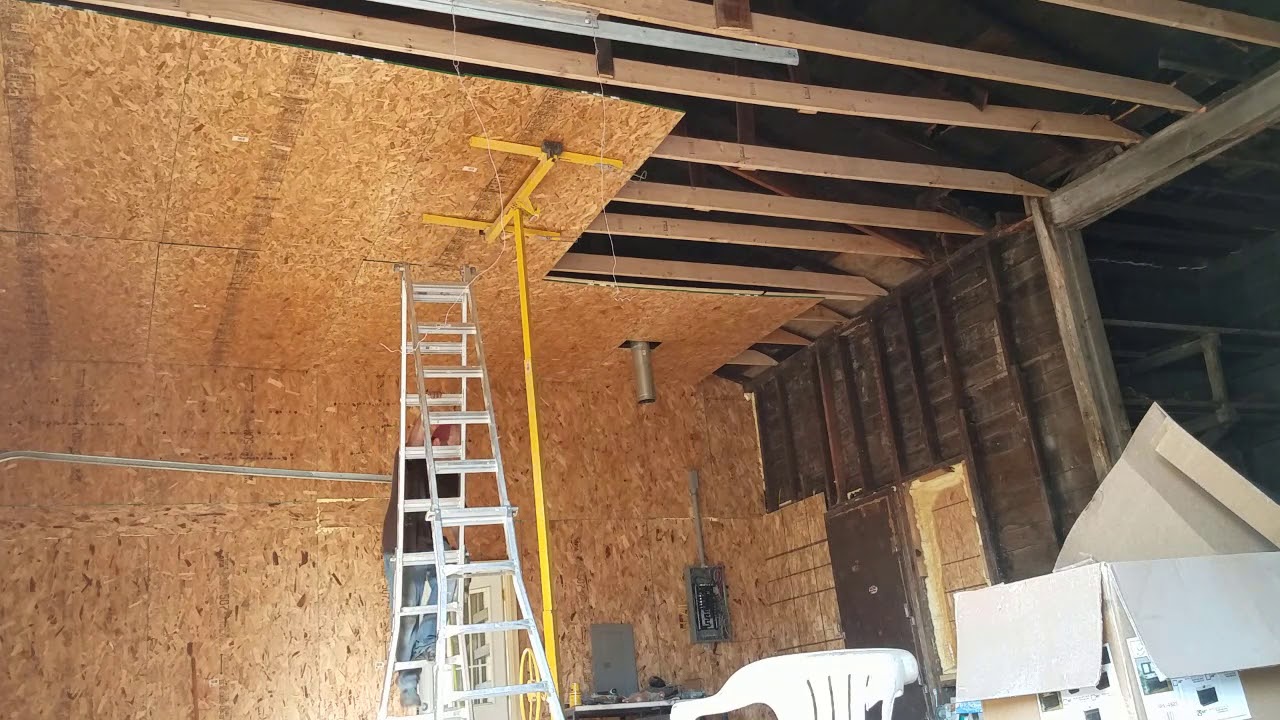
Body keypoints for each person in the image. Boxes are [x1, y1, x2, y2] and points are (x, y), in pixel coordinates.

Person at [383, 417, 461, 710]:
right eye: (443, 441)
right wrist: (433, 415)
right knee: (407, 616)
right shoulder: (409, 461)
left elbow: (452, 515)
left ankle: (426, 642)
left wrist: (457, 548)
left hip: (429, 544)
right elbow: (415, 438)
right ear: (431, 443)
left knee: (454, 574)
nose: (446, 445)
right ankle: (407, 685)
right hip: (402, 544)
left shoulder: (448, 472)